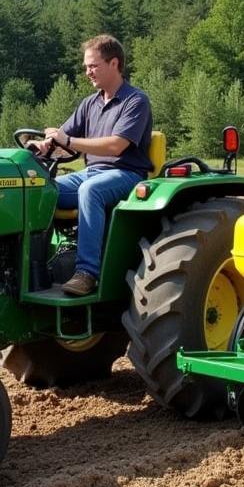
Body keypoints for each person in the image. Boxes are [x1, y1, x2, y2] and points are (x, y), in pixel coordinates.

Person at [34, 34, 152, 297]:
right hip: (91, 173)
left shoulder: (136, 101)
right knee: (39, 188)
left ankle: (87, 273)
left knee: (91, 191)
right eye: (86, 66)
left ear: (114, 64)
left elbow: (115, 146)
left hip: (126, 173)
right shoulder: (90, 103)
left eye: (93, 66)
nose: (88, 72)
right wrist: (44, 145)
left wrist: (69, 140)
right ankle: (36, 265)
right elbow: (62, 137)